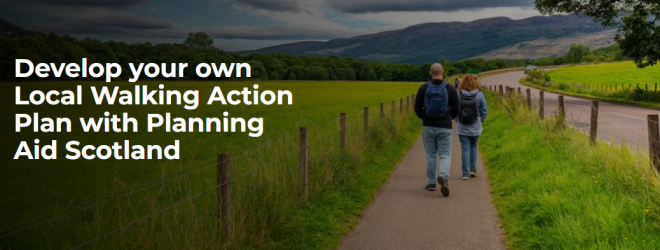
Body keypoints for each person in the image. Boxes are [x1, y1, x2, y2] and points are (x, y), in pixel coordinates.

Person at [414, 63, 459, 197]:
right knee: (445, 154)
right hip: (445, 125)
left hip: (428, 125)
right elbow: (457, 109)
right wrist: (449, 118)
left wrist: (426, 117)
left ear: (430, 73)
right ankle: (444, 176)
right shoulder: (450, 88)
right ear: (442, 72)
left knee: (431, 155)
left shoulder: (423, 88)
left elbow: (417, 109)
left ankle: (432, 182)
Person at [456, 74, 487, 180]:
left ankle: (465, 173)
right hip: (475, 125)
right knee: (473, 146)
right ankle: (473, 170)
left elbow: (455, 109)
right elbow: (484, 110)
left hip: (462, 125)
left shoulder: (459, 94)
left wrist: (457, 120)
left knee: (465, 149)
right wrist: (480, 120)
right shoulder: (479, 94)